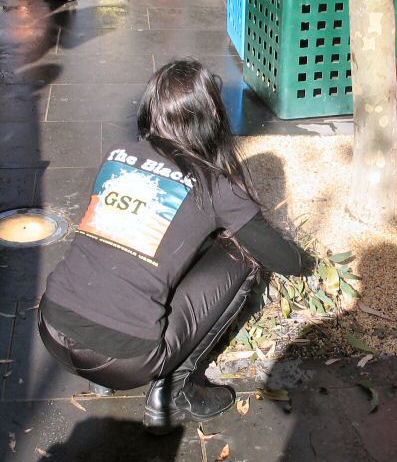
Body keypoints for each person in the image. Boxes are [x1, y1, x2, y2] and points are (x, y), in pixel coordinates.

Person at [38, 60, 301, 435]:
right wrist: (305, 260)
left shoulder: (118, 154)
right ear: (212, 114)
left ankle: (100, 377)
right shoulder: (216, 186)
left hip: (51, 326)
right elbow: (283, 259)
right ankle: (177, 390)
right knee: (242, 256)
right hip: (127, 359)